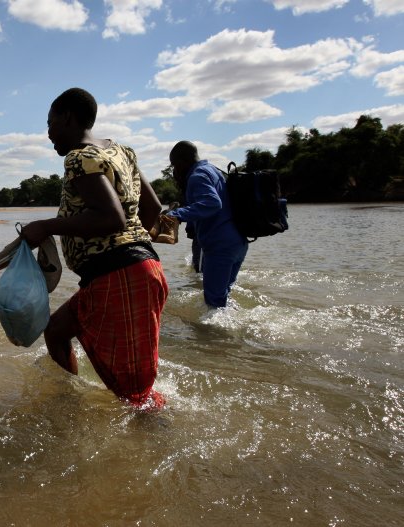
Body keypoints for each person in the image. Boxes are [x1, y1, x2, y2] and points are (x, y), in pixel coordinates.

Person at [21, 88, 169, 409]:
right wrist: (132, 244)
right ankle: (69, 404)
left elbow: (111, 217)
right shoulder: (122, 151)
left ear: (68, 118)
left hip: (121, 276)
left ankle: (157, 440)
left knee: (135, 398)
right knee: (56, 333)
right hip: (138, 270)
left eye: (50, 124)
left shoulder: (79, 158)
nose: (48, 134)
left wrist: (46, 226)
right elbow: (153, 208)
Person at [166, 141, 248, 308]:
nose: (174, 170)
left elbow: (212, 203)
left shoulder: (197, 176)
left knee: (214, 303)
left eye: (174, 165)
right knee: (224, 297)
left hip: (220, 246)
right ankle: (231, 333)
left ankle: (215, 334)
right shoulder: (212, 170)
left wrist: (176, 214)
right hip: (238, 241)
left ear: (181, 163)